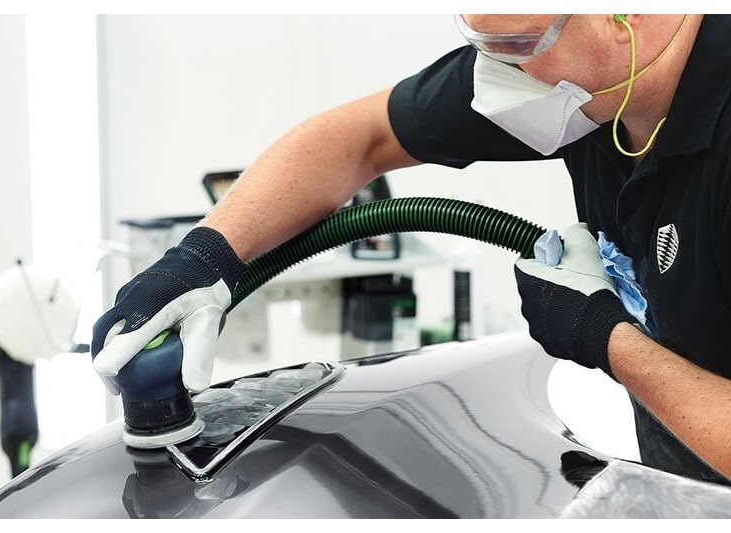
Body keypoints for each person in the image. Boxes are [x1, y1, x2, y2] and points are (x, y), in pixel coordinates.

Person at [92, 14, 731, 485]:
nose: (497, 77)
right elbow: (358, 138)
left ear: (629, 18)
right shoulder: (588, 89)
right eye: (482, 44)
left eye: (516, 46)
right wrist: (202, 259)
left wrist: (607, 338)